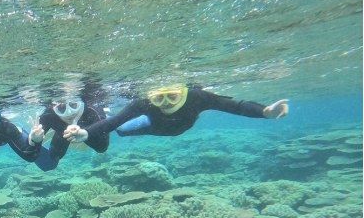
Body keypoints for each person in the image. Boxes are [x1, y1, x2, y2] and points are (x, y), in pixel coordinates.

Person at [62, 84, 289, 144]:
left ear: (184, 92)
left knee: (122, 127)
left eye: (172, 96)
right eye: (158, 98)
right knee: (120, 129)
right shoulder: (143, 102)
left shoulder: (198, 97)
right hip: (152, 127)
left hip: (177, 129)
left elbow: (235, 106)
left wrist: (265, 112)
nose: (165, 103)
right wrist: (86, 133)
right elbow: (112, 122)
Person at [32, 78, 111, 171]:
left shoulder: (91, 110)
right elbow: (30, 148)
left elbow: (102, 147)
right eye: (62, 108)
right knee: (51, 162)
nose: (69, 113)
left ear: (82, 103)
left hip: (78, 128)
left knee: (109, 142)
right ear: (54, 107)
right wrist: (33, 139)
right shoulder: (50, 114)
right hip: (62, 131)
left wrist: (86, 133)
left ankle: (110, 117)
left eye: (73, 105)